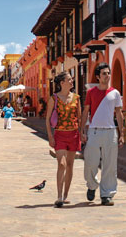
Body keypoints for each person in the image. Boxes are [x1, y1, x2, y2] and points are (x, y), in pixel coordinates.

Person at [80, 63, 124, 206]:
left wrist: (121, 133)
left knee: (110, 165)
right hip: (94, 131)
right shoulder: (91, 92)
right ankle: (92, 185)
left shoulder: (115, 93)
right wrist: (82, 130)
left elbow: (119, 113)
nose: (107, 76)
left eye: (108, 73)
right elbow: (86, 111)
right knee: (90, 162)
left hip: (110, 132)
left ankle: (107, 194)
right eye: (104, 73)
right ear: (98, 77)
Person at [45, 72, 82, 208]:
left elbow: (79, 117)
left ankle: (65, 195)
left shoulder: (77, 98)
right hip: (60, 135)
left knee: (70, 165)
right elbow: (48, 119)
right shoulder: (53, 99)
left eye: (72, 79)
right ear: (62, 83)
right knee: (62, 164)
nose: (72, 82)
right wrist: (50, 136)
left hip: (73, 134)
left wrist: (82, 132)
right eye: (70, 80)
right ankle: (59, 196)